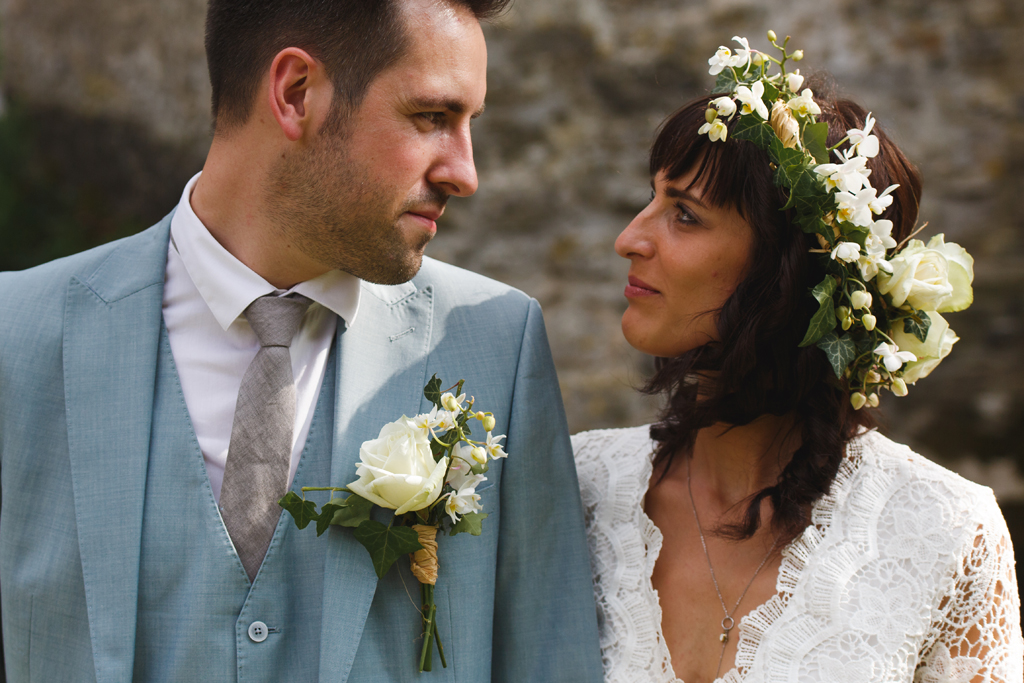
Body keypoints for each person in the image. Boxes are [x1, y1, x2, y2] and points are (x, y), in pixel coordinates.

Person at [0, 0, 603, 680]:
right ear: (296, 93)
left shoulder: (498, 340)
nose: (465, 172)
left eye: (469, 124)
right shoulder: (16, 334)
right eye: (432, 117)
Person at [572, 34, 1022, 683]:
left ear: (789, 271)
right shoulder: (578, 487)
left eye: (685, 215)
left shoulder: (946, 532)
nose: (629, 238)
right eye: (652, 199)